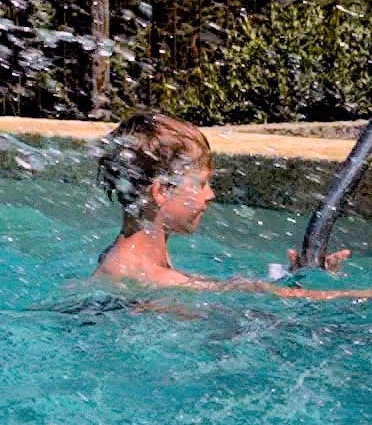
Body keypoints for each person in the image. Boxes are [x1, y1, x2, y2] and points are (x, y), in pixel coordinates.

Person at [94, 112, 372, 299]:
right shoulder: (142, 276)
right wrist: (354, 295)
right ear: (161, 192)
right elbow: (235, 295)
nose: (210, 195)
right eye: (201, 184)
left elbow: (220, 288)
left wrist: (298, 279)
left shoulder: (134, 259)